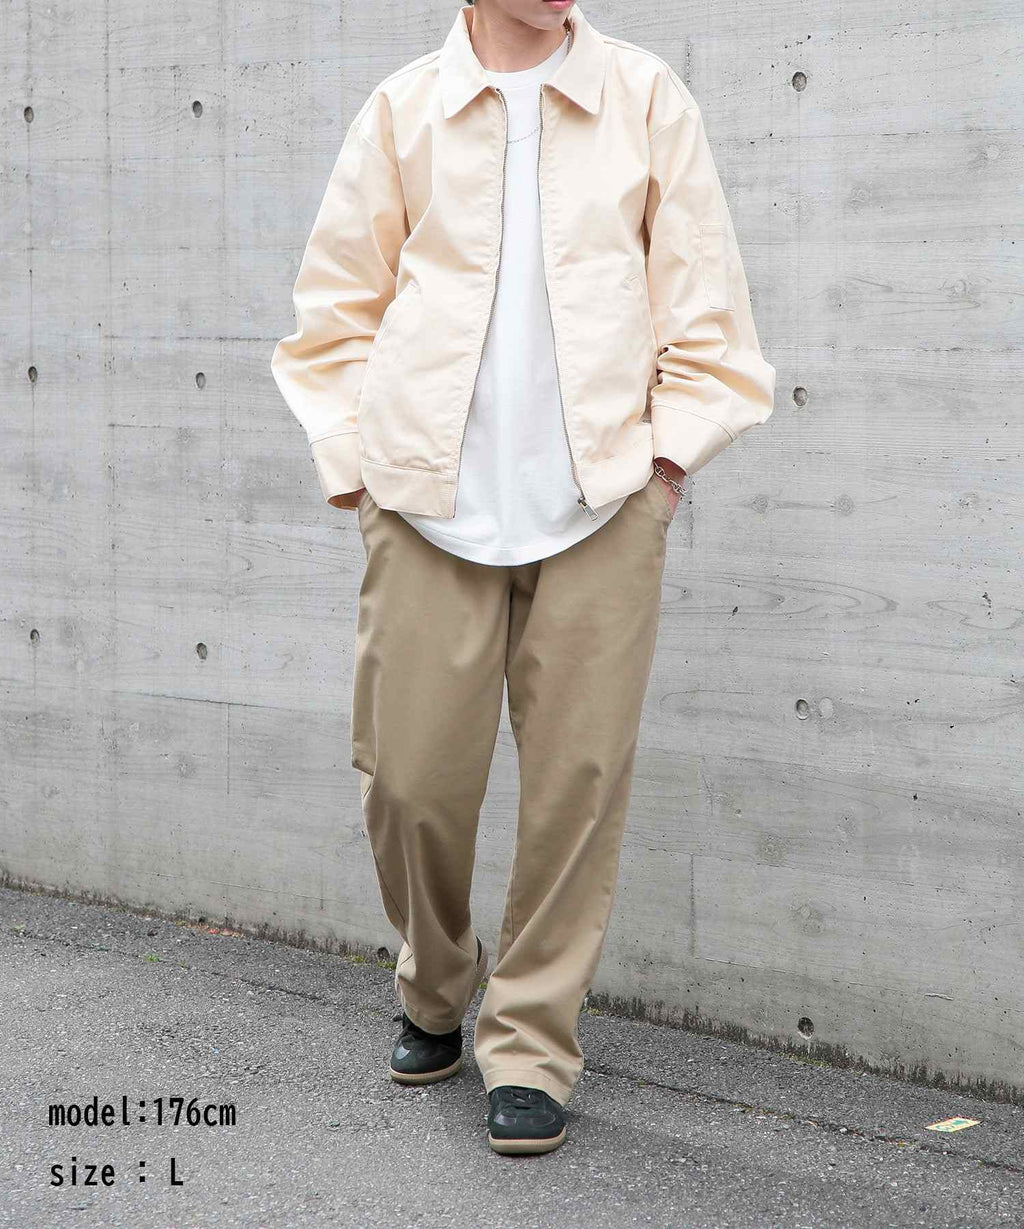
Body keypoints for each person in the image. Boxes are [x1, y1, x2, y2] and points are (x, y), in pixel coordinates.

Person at [271, 0, 775, 1156]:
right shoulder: (403, 110)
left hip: (600, 506)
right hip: (425, 504)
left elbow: (706, 312)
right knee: (408, 780)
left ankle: (533, 1041)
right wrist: (357, 470)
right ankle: (434, 981)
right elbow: (334, 314)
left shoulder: (644, 99)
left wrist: (664, 465)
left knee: (574, 791)